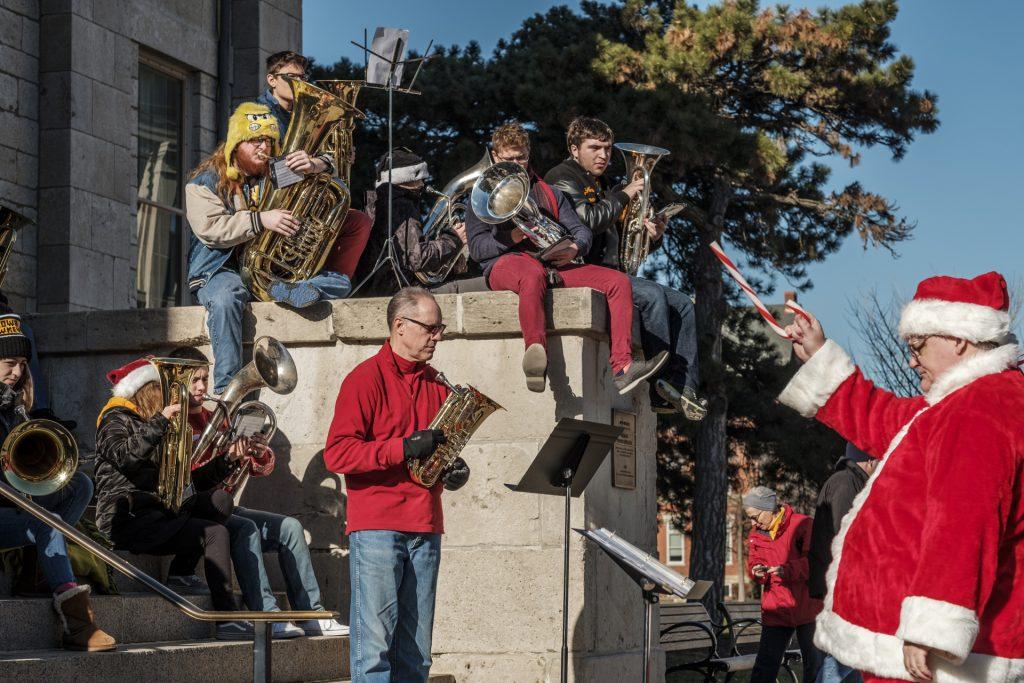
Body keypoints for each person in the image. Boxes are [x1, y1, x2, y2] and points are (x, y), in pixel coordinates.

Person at [778, 271, 1024, 682]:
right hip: (913, 644)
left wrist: (930, 630)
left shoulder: (980, 410)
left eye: (918, 346)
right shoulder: (959, 403)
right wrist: (819, 354)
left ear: (959, 340)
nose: (911, 360)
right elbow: (883, 418)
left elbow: (963, 524)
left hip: (935, 655)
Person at [323, 286, 471, 682]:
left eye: (439, 328)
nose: (437, 336)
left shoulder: (438, 385)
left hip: (425, 525)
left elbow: (435, 457)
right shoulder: (363, 379)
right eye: (431, 328)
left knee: (417, 658)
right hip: (377, 528)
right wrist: (402, 448)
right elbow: (337, 455)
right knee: (373, 654)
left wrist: (453, 470)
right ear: (400, 326)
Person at [465, 122, 667, 393]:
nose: (516, 164)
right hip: (507, 264)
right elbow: (478, 250)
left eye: (521, 157)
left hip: (553, 262)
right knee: (531, 274)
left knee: (618, 281)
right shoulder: (480, 198)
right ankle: (535, 352)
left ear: (528, 154)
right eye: (508, 158)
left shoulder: (550, 192)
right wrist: (514, 237)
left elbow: (581, 231)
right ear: (495, 156)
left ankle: (623, 366)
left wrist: (574, 249)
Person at [166, 345, 348, 639]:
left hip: (222, 505)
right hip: (193, 508)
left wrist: (258, 453)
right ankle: (267, 615)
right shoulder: (172, 421)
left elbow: (259, 471)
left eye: (205, 378)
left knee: (290, 527)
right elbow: (185, 476)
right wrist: (224, 458)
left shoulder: (218, 417)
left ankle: (312, 614)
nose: (202, 387)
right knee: (246, 528)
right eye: (194, 380)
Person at [185, 102, 352, 395]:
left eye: (268, 140)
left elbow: (332, 174)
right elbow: (211, 230)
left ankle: (286, 289)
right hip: (219, 271)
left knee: (340, 282)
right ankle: (227, 390)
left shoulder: (275, 171)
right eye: (254, 140)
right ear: (236, 144)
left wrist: (317, 165)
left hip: (265, 271)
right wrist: (261, 219)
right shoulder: (205, 181)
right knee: (226, 298)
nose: (263, 147)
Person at [545, 116, 706, 419]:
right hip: (584, 271)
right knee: (653, 297)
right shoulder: (562, 177)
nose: (604, 155)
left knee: (683, 304)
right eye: (595, 148)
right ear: (574, 148)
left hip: (614, 271)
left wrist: (652, 237)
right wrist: (625, 195)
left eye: (607, 148)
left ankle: (682, 387)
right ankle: (659, 383)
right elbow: (588, 222)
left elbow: (622, 237)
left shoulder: (602, 183)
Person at [93, 357, 248, 639]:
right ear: (146, 390)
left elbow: (187, 484)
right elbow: (124, 457)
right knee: (216, 534)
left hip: (157, 511)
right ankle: (227, 617)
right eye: (162, 389)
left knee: (220, 501)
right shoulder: (114, 419)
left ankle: (180, 573)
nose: (170, 397)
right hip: (126, 518)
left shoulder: (156, 425)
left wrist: (229, 460)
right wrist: (160, 421)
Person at [0, 314, 115, 651]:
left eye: (22, 363)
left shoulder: (14, 405)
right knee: (47, 523)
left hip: (11, 503)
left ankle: (35, 572)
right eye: (9, 363)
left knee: (80, 485)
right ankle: (78, 624)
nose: (19, 372)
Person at [256, 50, 372, 284]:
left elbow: (326, 158)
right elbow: (257, 167)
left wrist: (317, 164)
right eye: (291, 77)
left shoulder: (308, 111)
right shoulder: (254, 115)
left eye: (302, 78)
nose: (300, 83)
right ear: (272, 79)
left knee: (359, 222)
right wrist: (306, 166)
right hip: (265, 201)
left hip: (296, 197)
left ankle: (332, 283)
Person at [352, 149, 468, 297]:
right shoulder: (400, 204)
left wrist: (451, 264)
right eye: (420, 178)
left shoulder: (375, 203)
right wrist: (454, 238)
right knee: (485, 285)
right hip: (401, 291)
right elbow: (417, 258)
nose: (423, 184)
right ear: (407, 179)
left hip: (383, 287)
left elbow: (406, 255)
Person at [810, 443, 877, 683]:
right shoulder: (845, 483)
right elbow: (845, 533)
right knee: (848, 652)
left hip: (843, 581)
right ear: (869, 460)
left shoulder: (849, 481)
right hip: (842, 583)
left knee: (853, 654)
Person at [743, 485, 823, 683]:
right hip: (775, 609)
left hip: (807, 607)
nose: (753, 522)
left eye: (755, 516)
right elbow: (753, 562)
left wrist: (786, 570)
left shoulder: (803, 524)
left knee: (814, 667)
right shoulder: (755, 534)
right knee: (765, 666)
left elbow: (815, 562)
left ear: (769, 508)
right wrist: (756, 571)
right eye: (750, 517)